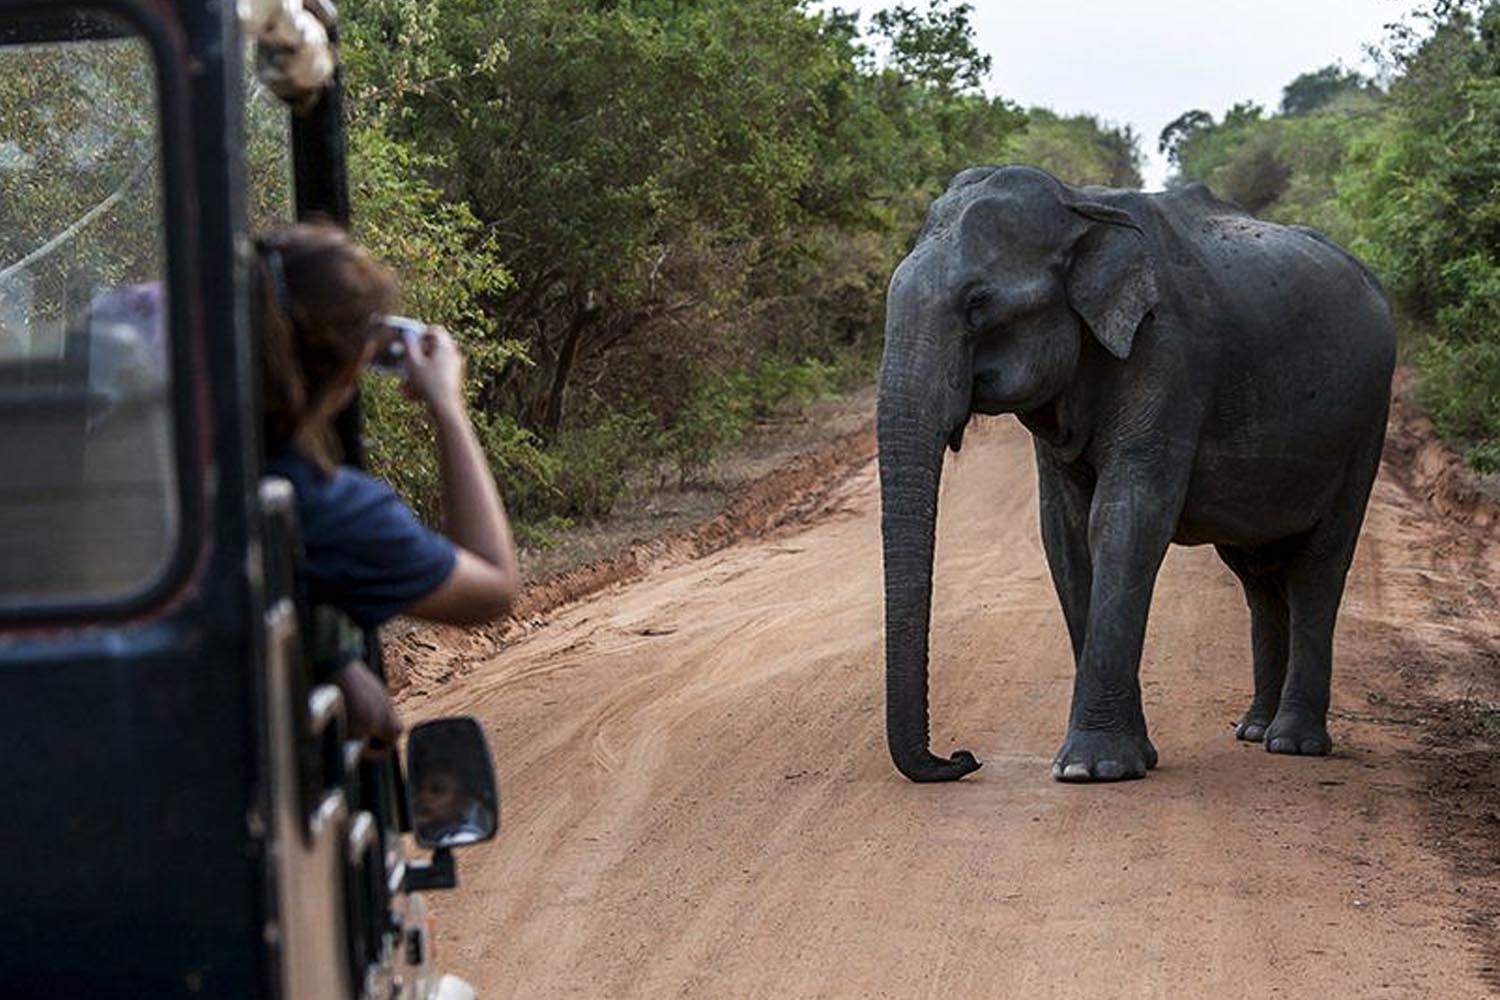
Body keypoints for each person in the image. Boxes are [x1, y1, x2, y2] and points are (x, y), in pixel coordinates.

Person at [253, 221, 519, 747]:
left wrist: (336, 655)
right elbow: (493, 588)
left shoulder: (174, 462)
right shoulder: (326, 507)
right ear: (355, 366)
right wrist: (447, 407)